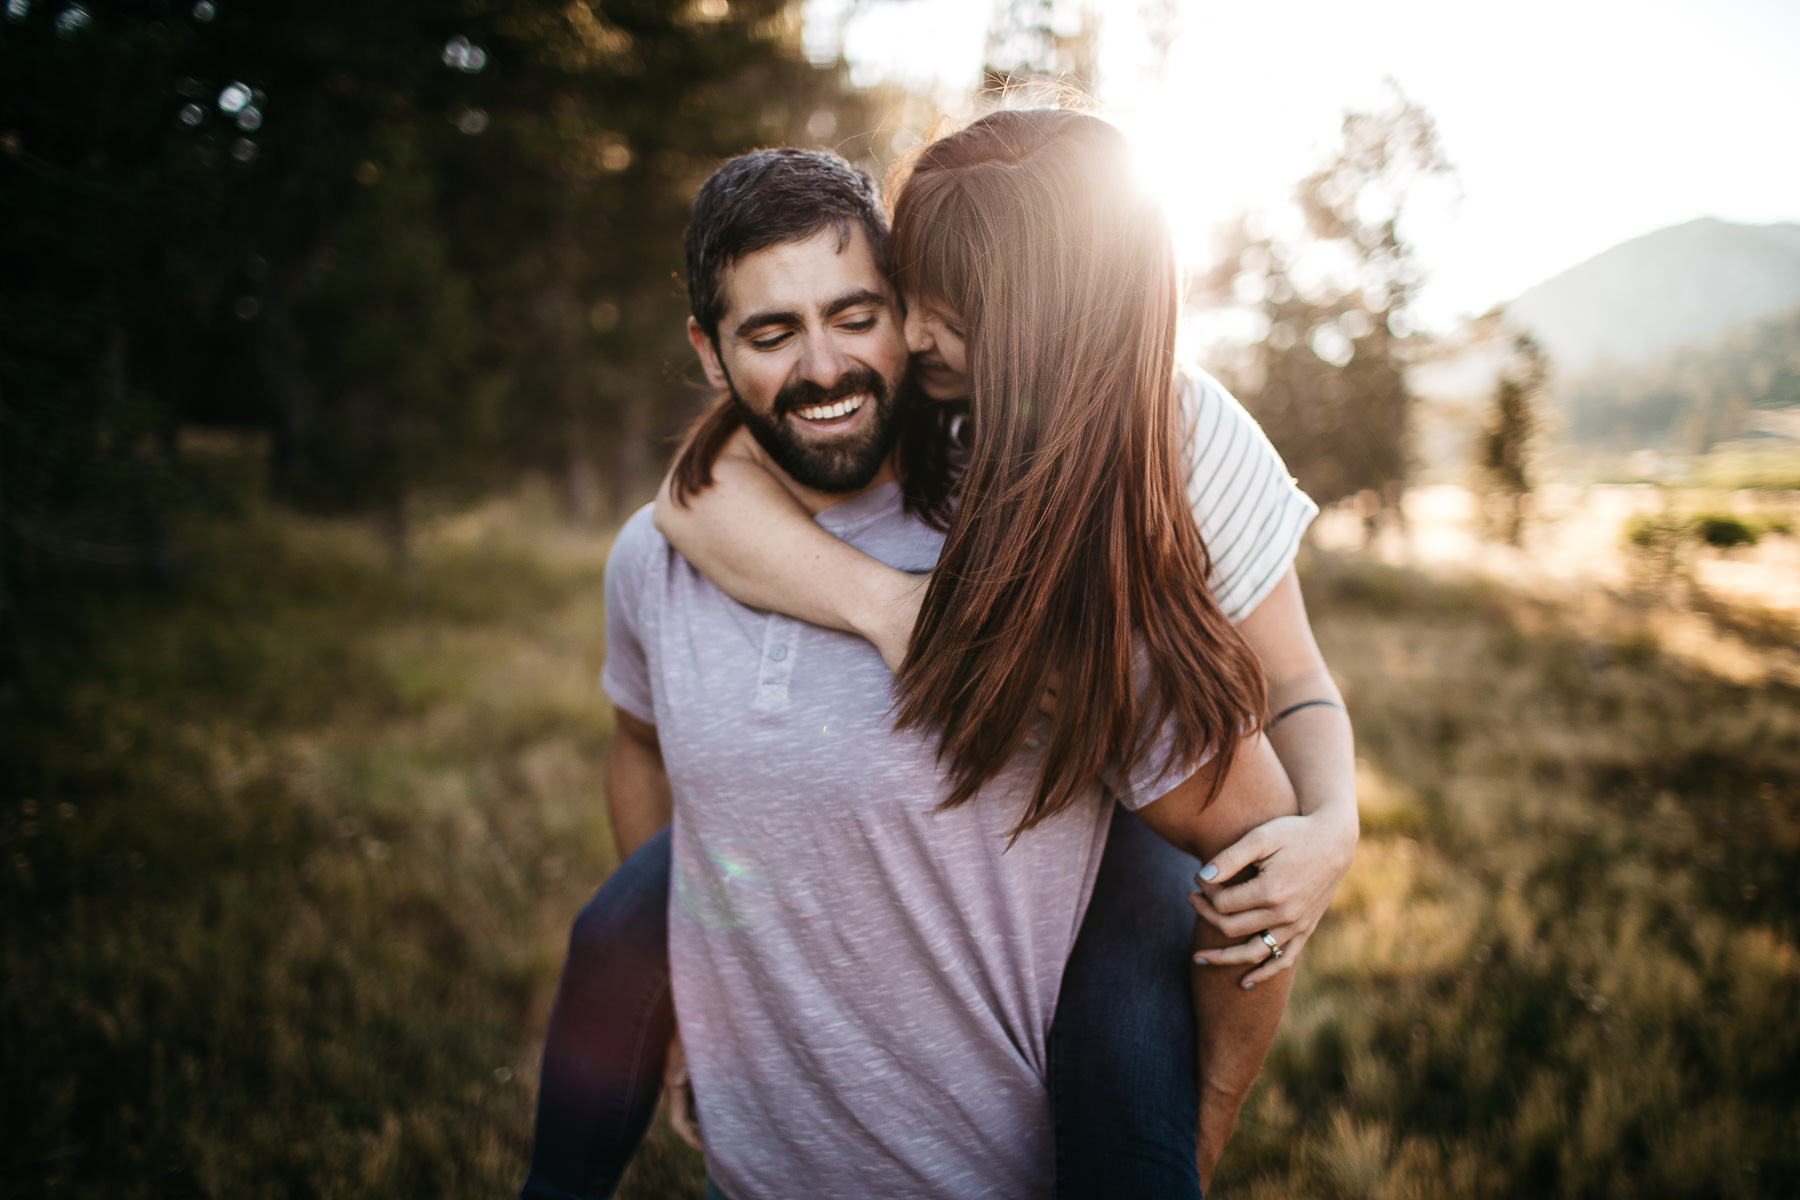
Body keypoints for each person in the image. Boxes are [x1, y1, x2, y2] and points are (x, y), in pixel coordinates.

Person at [524, 114, 1354, 1200]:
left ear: (1023, 328)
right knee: (621, 925)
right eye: (771, 333)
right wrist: (890, 611)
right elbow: (705, 484)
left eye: (876, 315)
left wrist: (1330, 826)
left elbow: (1290, 686)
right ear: (710, 351)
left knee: (1128, 1084)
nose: (900, 343)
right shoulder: (760, 494)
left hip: (1151, 810)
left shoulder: (1160, 449)